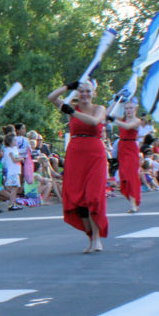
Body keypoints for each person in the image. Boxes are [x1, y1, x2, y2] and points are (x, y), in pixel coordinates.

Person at [49, 79, 109, 252]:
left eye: (88, 91)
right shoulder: (71, 109)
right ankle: (91, 237)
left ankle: (97, 238)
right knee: (78, 199)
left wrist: (72, 112)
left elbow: (93, 122)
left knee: (93, 197)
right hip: (76, 155)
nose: (85, 94)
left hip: (95, 155)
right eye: (81, 91)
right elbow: (51, 97)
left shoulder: (99, 109)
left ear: (94, 93)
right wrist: (69, 86)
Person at [115, 100, 143, 213]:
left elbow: (127, 127)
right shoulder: (122, 119)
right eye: (126, 108)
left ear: (135, 109)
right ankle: (133, 201)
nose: (129, 111)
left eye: (131, 108)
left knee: (130, 176)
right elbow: (108, 113)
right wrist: (117, 101)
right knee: (124, 176)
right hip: (122, 148)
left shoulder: (137, 121)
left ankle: (133, 204)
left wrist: (114, 120)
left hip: (131, 148)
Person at [1, 130, 24, 211]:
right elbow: (14, 160)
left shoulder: (14, 149)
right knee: (14, 188)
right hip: (11, 172)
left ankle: (13, 203)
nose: (16, 141)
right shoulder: (9, 150)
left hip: (15, 171)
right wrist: (21, 158)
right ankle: (11, 204)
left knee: (15, 188)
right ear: (10, 142)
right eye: (14, 140)